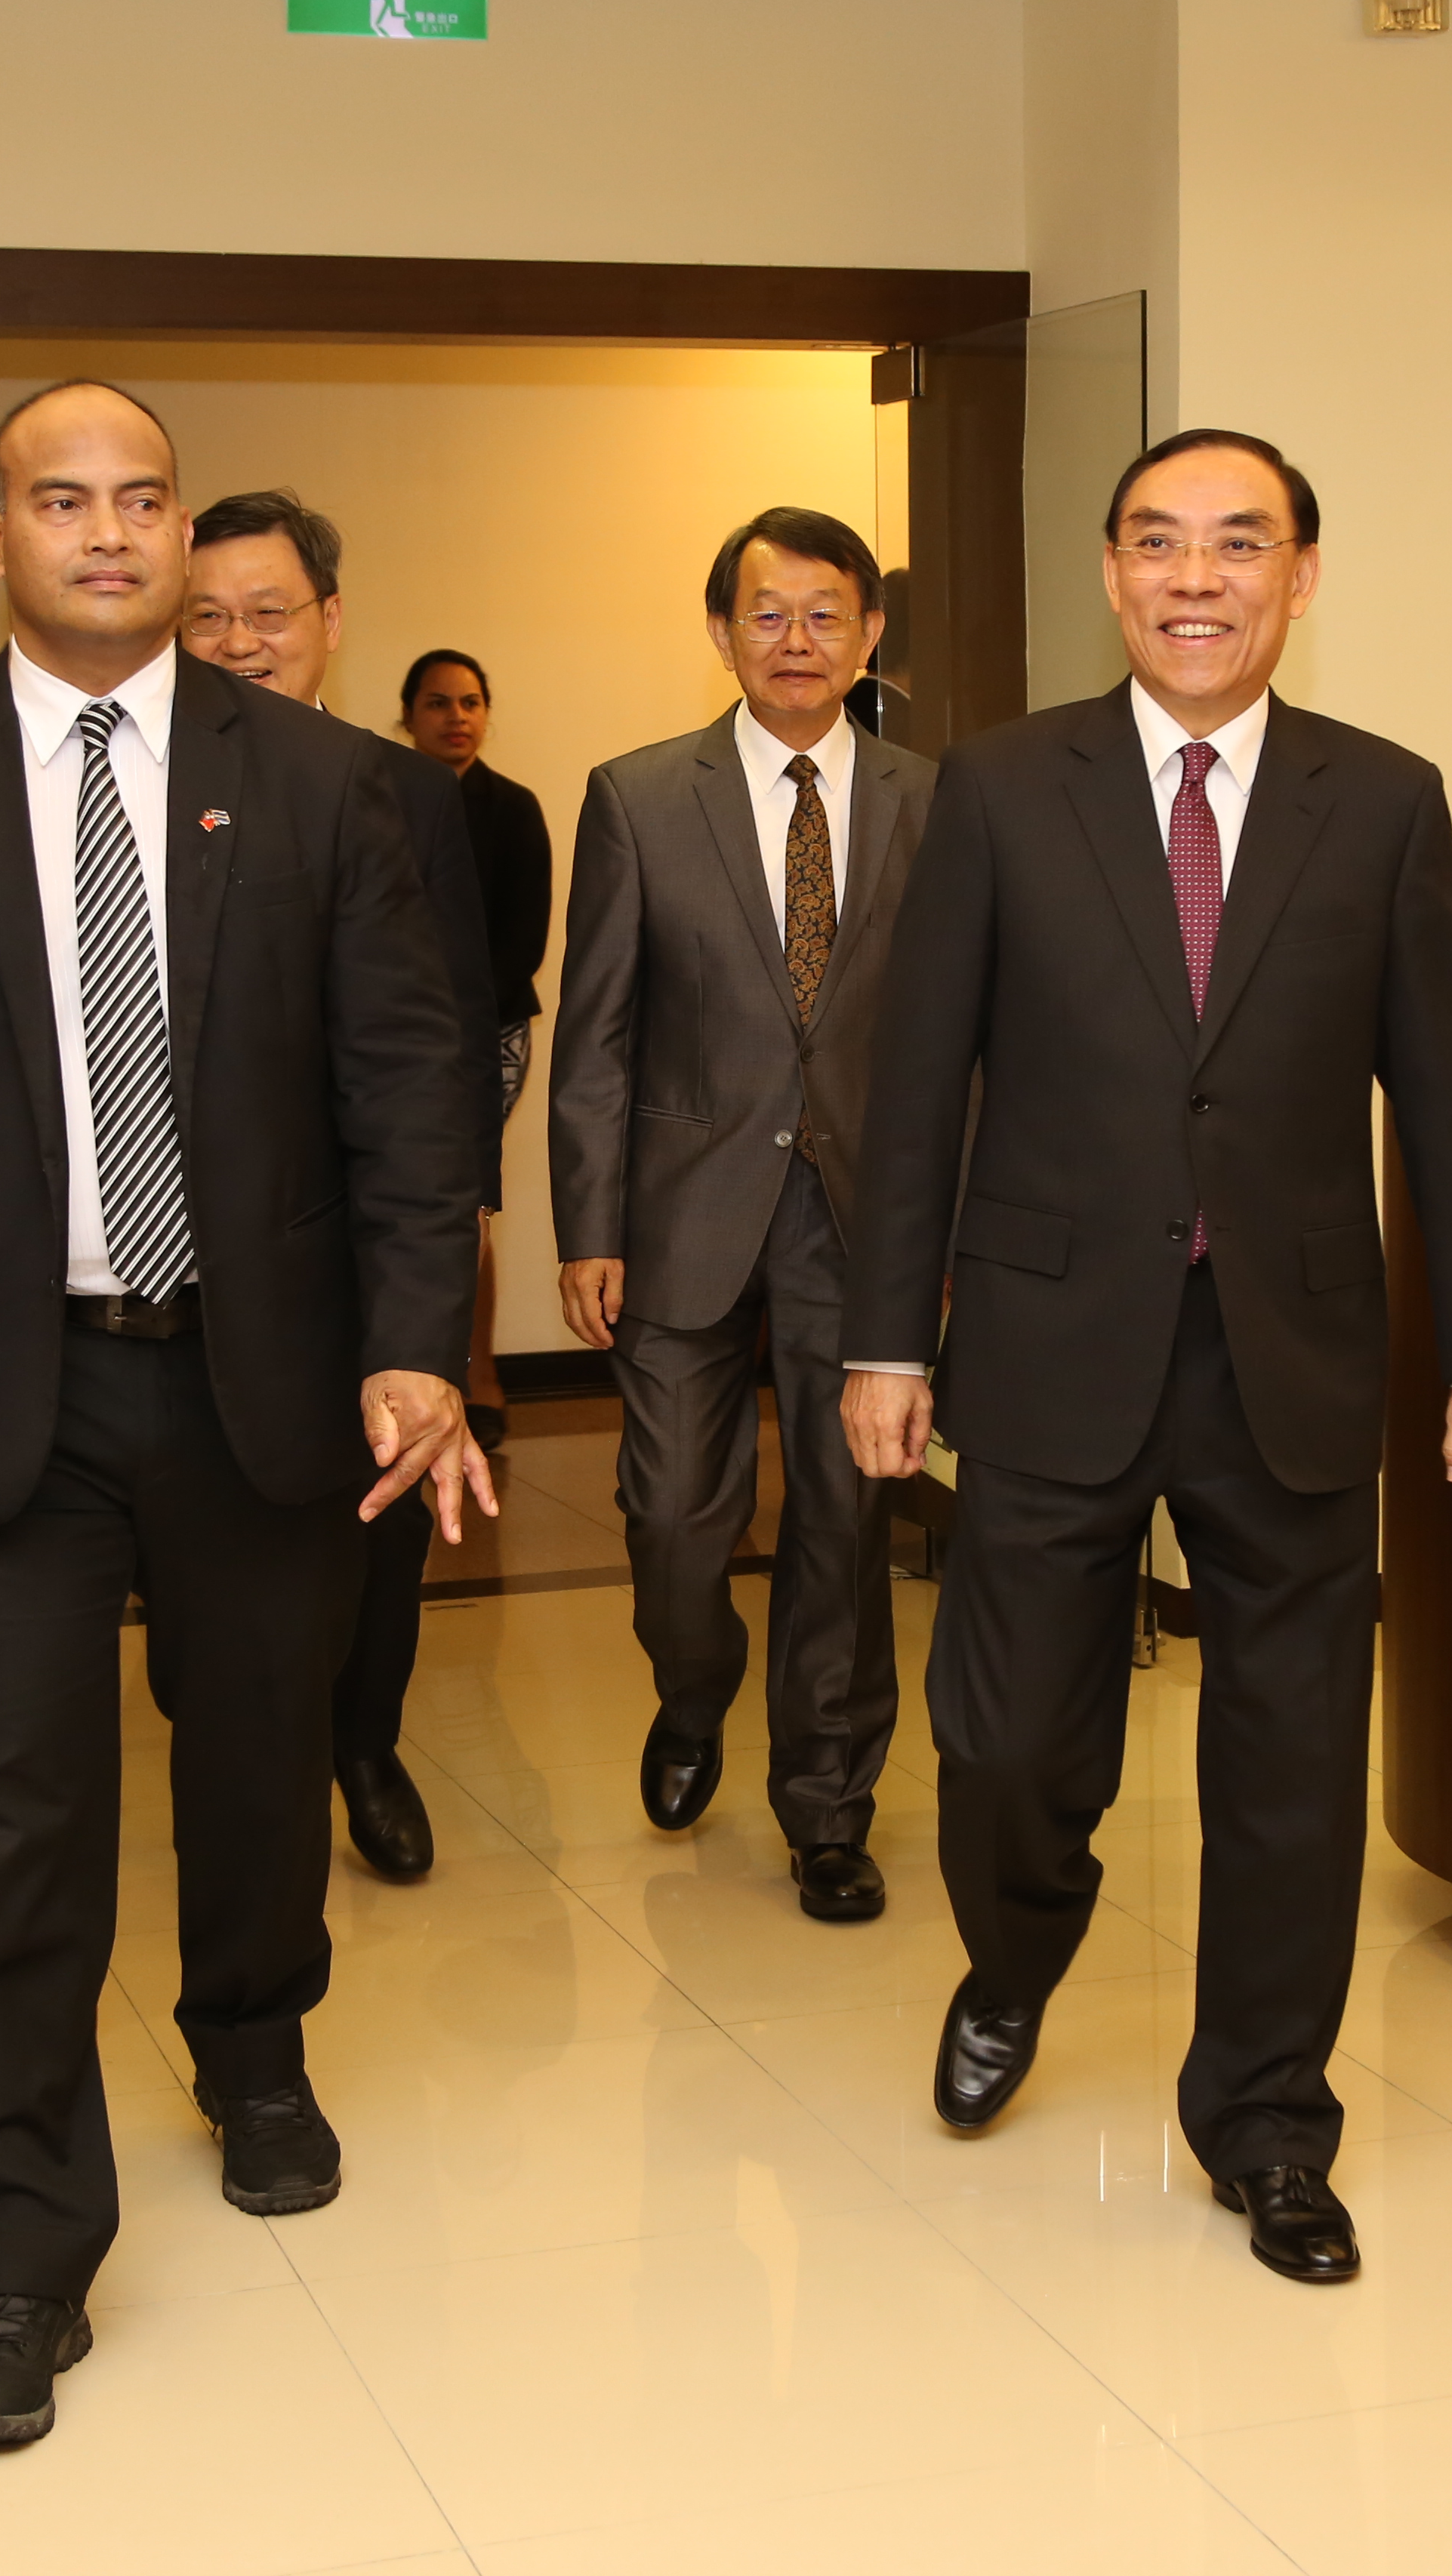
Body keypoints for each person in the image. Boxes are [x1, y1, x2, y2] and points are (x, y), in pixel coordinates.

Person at [0, 381, 489, 2455]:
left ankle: (252, 2046)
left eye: (140, 498)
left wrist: (419, 1339)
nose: (106, 530)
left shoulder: (323, 787)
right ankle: (12, 2249)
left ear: (179, 535)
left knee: (257, 1755)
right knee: (11, 1824)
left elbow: (407, 1094)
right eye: (60, 499)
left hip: (262, 1376)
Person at [843, 427, 1452, 2286]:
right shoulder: (1002, 789)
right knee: (1007, 1739)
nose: (1196, 577)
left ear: (1299, 578)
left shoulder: (1379, 801)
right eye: (1158, 542)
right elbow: (914, 1085)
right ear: (1110, 573)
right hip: (1043, 1335)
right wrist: (881, 1338)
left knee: (1292, 1758)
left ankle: (1267, 2121)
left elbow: (1448, 1098)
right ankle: (1014, 1950)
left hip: (1288, 1351)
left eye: (1240, 544)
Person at [551, 507, 931, 1921]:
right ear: (721, 632)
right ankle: (693, 1679)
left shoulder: (936, 800)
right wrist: (587, 1224)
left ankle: (827, 1806)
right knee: (670, 1515)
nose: (796, 641)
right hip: (678, 1212)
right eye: (766, 614)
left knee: (845, 1516)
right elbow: (595, 1031)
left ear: (869, 631)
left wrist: (948, 1232)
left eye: (826, 614)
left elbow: (965, 1038)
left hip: (863, 1217)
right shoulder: (640, 795)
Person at [183, 491, 493, 1884]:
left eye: (268, 613)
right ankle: (237, 1745)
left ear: (330, 621)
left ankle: (364, 1747)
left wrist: (450, 1223)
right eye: (206, 617)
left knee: (377, 1518)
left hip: (362, 1232)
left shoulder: (408, 793)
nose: (239, 641)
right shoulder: (139, 786)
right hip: (192, 1239)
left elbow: (450, 1029)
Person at [402, 648, 550, 1446]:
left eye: (470, 702)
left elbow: (523, 941)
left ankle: (479, 1374)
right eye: (438, 703)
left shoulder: (514, 808)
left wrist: (448, 1028)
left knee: (464, 1205)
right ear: (407, 716)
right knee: (398, 1202)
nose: (456, 717)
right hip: (388, 1037)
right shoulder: (376, 795)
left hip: (486, 1036)